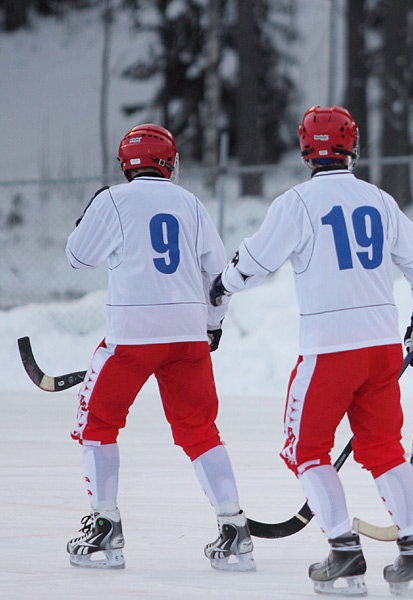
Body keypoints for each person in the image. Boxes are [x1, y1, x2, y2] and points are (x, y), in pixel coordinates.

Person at [209, 106, 413, 597]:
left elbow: (254, 264)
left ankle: (343, 550)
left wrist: (221, 285)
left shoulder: (296, 202)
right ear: (352, 147)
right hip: (379, 347)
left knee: (305, 448)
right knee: (383, 449)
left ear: (305, 148)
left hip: (329, 351)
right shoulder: (379, 199)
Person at [65, 124, 255, 572]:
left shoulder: (113, 198)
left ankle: (105, 524)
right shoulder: (189, 202)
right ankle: (233, 527)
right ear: (169, 162)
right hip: (187, 333)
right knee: (200, 429)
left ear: (125, 163)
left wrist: (91, 214)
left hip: (132, 335)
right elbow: (217, 273)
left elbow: (78, 256)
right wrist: (213, 325)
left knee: (97, 423)